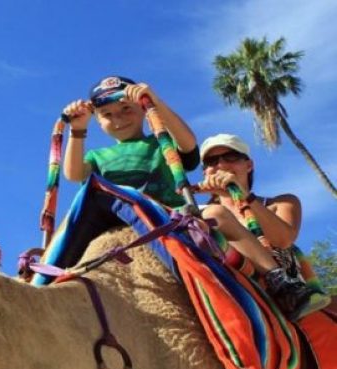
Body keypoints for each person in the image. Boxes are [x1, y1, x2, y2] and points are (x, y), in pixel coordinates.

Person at [51, 75, 200, 270]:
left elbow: (188, 144)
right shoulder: (97, 156)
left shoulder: (161, 143)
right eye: (107, 114)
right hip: (113, 221)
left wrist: (155, 103)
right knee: (67, 230)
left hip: (165, 216)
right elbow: (74, 174)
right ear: (98, 121)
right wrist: (77, 130)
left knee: (218, 216)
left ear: (141, 109)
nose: (118, 119)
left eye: (126, 108)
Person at [197, 133, 329, 321]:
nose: (221, 165)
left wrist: (244, 196)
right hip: (226, 286)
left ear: (249, 165)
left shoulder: (282, 203)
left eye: (231, 157)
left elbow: (283, 239)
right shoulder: (199, 213)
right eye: (212, 161)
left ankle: (285, 288)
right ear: (205, 172)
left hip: (283, 285)